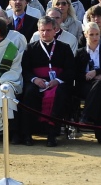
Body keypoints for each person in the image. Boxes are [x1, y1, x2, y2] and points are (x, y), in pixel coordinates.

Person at [19, 17, 76, 147]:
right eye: (42, 30)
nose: (45, 33)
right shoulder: (30, 48)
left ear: (55, 30)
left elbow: (70, 70)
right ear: (38, 31)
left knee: (60, 95)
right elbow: (25, 70)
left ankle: (52, 135)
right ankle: (28, 134)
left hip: (57, 83)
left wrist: (57, 80)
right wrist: (35, 79)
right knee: (29, 94)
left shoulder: (64, 48)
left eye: (48, 30)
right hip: (37, 82)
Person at [74, 20, 101, 146]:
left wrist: (96, 71)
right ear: (85, 35)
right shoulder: (80, 53)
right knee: (98, 95)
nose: (94, 37)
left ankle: (87, 116)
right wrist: (87, 75)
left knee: (99, 87)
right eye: (91, 34)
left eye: (97, 34)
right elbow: (75, 74)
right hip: (86, 85)